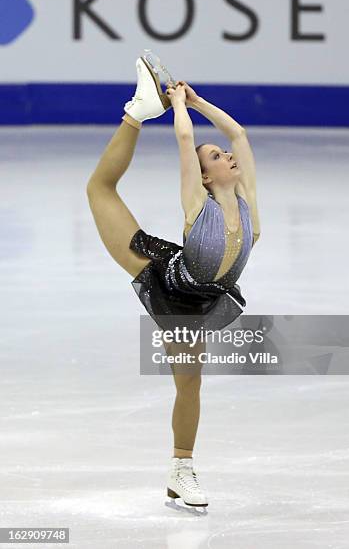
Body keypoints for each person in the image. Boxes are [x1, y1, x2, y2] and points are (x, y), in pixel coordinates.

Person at [86, 54, 260, 512]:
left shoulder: (248, 206)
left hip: (199, 301)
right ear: (204, 177)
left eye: (221, 153)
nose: (227, 155)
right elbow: (185, 139)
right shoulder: (195, 204)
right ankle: (137, 114)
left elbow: (238, 134)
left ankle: (181, 471)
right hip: (163, 275)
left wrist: (198, 101)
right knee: (99, 190)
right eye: (217, 157)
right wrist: (176, 104)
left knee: (189, 384)